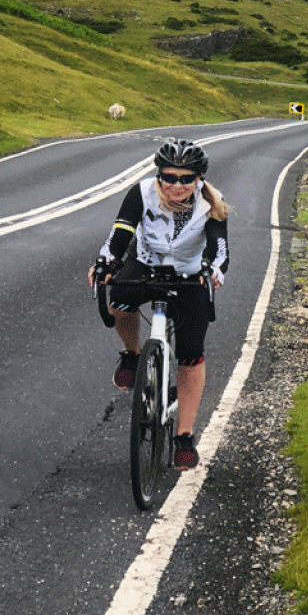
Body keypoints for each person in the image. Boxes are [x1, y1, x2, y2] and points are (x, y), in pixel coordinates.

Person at [87, 139, 230, 470]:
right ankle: (132, 355)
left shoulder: (212, 201)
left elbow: (219, 248)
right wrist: (106, 261)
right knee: (120, 301)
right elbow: (120, 232)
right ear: (159, 174)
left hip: (190, 275)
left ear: (199, 179)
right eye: (168, 177)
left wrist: (213, 270)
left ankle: (184, 436)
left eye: (185, 178)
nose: (176, 186)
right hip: (146, 263)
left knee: (191, 352)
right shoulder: (142, 192)